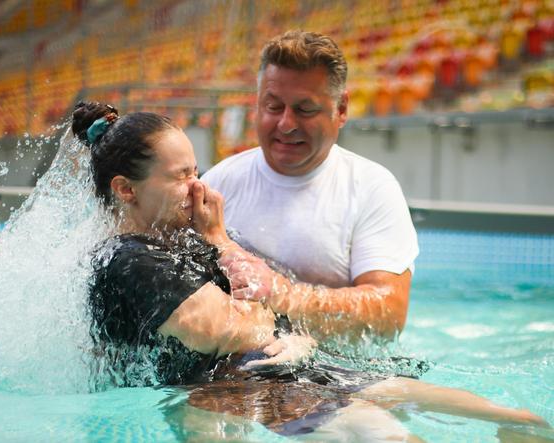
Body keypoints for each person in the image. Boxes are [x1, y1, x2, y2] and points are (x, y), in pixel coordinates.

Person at [72, 101, 548, 439]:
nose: (199, 186)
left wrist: (222, 245)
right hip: (252, 381)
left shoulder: (181, 240)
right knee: (377, 420)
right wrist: (284, 333)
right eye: (181, 176)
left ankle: (515, 420)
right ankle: (512, 418)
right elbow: (232, 331)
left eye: (196, 170)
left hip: (260, 384)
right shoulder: (128, 260)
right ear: (126, 189)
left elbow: (248, 320)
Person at [202, 30, 418, 340]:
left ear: (341, 109)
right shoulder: (219, 183)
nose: (286, 124)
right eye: (273, 107)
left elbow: (389, 313)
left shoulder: (371, 189)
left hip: (333, 376)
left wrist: (284, 295)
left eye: (305, 109)